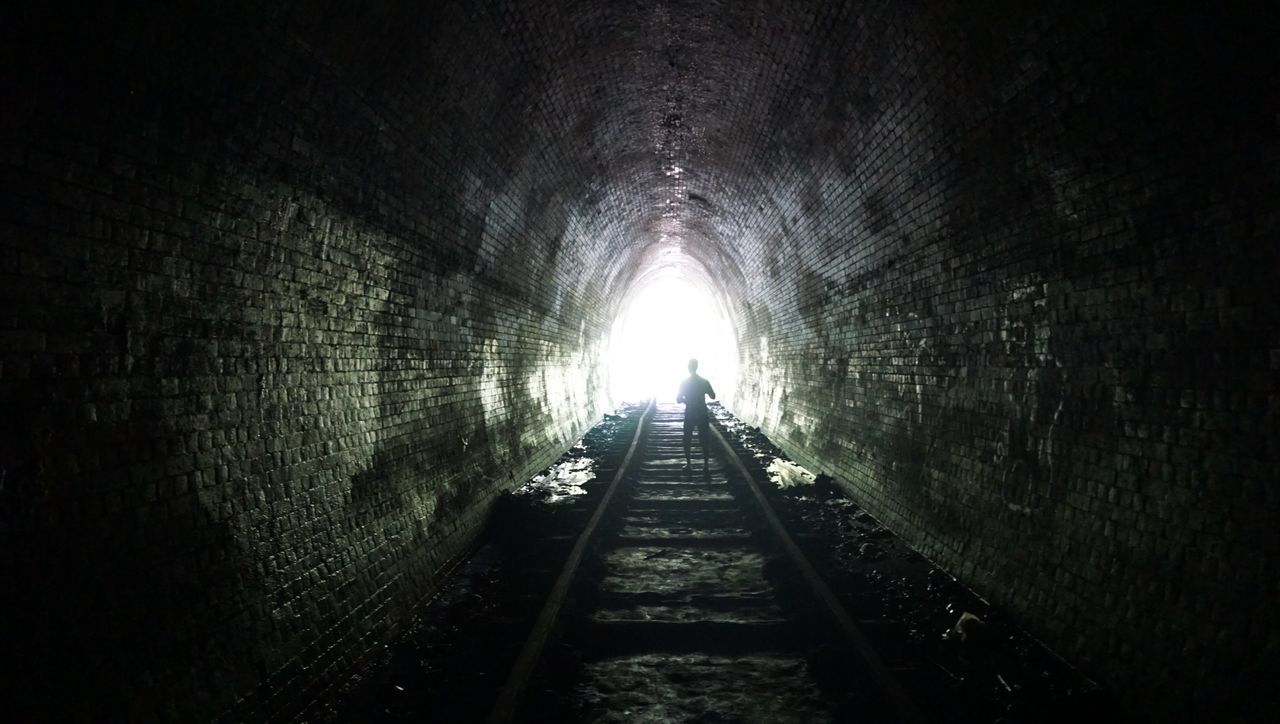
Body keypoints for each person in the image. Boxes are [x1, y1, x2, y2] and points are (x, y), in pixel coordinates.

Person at [676, 358, 716, 472]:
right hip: (702, 412)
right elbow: (713, 396)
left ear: (688, 368)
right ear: (697, 367)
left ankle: (689, 464)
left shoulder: (684, 383)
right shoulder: (704, 381)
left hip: (690, 412)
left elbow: (678, 399)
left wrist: (687, 401)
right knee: (704, 438)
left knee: (687, 438)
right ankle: (706, 465)